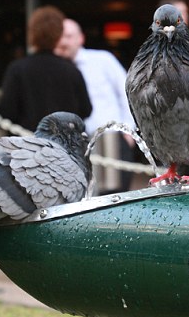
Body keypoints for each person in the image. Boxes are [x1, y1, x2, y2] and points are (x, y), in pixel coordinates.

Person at [55, 18, 136, 194]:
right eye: (59, 37)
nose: (63, 41)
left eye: (68, 36)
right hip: (75, 144)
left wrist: (129, 129)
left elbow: (127, 92)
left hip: (111, 139)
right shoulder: (54, 68)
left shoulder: (102, 60)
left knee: (116, 195)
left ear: (80, 38)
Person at [0, 6, 92, 132]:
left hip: (28, 145)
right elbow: (86, 110)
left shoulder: (17, 69)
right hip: (65, 147)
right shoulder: (72, 70)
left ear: (31, 33)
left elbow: (7, 112)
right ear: (59, 34)